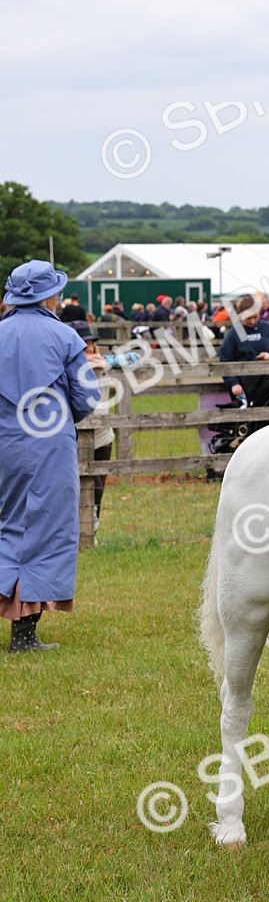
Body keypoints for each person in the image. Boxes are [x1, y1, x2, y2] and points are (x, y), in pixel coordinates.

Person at [0, 261, 100, 652]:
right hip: (50, 445)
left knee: (7, 523)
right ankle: (24, 635)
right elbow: (86, 397)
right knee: (48, 528)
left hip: (5, 444)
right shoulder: (65, 337)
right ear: (49, 296)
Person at [68, 322, 115, 537]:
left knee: (98, 488)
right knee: (75, 487)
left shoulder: (103, 365)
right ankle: (77, 531)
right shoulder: (70, 369)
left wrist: (98, 361)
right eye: (84, 346)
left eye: (91, 345)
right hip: (78, 437)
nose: (89, 349)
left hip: (103, 436)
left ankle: (92, 529)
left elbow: (132, 358)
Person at [219, 294, 269, 407]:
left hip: (267, 383)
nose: (252, 321)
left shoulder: (267, 328)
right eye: (248, 318)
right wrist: (234, 383)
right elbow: (225, 360)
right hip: (244, 386)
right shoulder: (236, 332)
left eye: (255, 317)